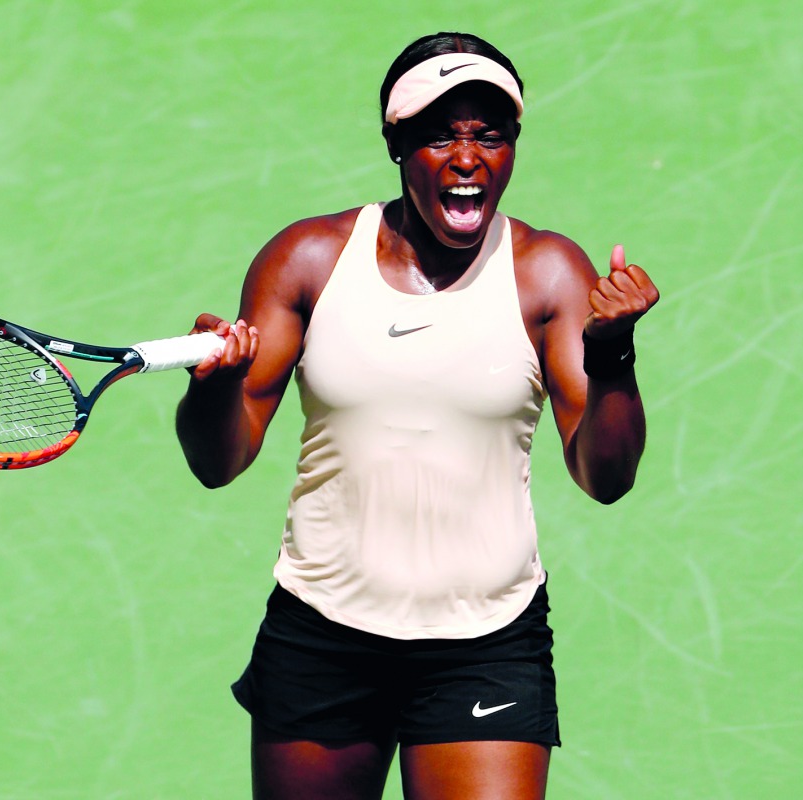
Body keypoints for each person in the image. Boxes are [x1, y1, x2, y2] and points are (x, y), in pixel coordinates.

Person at [175, 31, 659, 800]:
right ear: (396, 143)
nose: (467, 157)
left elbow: (607, 478)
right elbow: (217, 461)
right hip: (322, 634)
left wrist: (614, 355)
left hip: (487, 643)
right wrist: (212, 385)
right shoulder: (308, 259)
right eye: (440, 135)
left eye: (488, 135)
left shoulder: (547, 273)